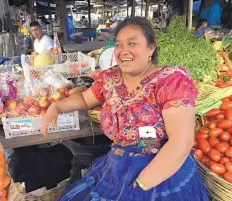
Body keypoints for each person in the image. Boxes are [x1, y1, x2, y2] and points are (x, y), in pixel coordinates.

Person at [42, 17, 209, 201]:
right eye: (119, 45)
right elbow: (84, 98)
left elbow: (180, 142)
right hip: (118, 166)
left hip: (162, 173)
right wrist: (56, 106)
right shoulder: (110, 77)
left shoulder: (171, 81)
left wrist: (141, 185)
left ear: (151, 49)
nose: (124, 51)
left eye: (132, 44)